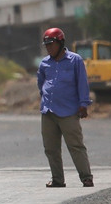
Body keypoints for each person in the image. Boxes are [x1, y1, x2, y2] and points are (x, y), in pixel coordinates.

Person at [36, 26, 94, 188]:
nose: (48, 48)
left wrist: (83, 104)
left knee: (75, 146)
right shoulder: (44, 63)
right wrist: (47, 97)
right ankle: (57, 179)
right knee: (51, 148)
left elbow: (82, 83)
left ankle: (86, 177)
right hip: (48, 111)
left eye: (51, 44)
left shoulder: (75, 60)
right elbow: (41, 84)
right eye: (46, 45)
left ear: (61, 43)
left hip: (69, 111)